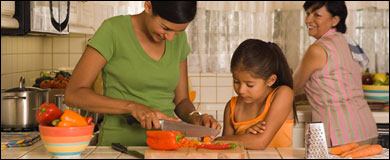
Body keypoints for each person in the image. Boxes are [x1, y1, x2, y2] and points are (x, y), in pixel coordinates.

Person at [64, 1, 221, 146]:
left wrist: (195, 117)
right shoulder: (113, 30)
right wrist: (132, 107)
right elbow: (74, 94)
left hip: (168, 146)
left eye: (179, 31)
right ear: (148, 6)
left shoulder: (177, 39)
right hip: (119, 147)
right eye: (165, 28)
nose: (171, 38)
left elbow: (181, 101)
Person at [293, 1, 378, 147]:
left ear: (335, 20)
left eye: (317, 15)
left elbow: (291, 87)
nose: (308, 20)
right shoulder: (347, 42)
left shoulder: (317, 49)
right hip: (366, 129)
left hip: (339, 135)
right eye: (308, 14)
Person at [215, 39, 297, 150]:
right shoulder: (232, 107)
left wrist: (217, 141)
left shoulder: (283, 94)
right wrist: (246, 136)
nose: (241, 90)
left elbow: (260, 142)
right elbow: (227, 149)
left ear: (270, 80)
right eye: (236, 82)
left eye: (250, 85)